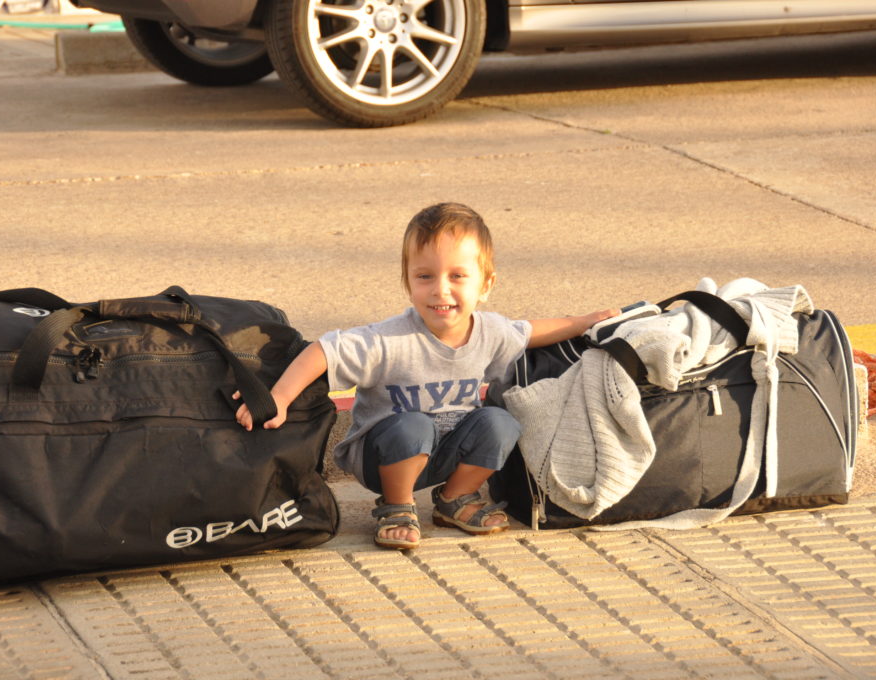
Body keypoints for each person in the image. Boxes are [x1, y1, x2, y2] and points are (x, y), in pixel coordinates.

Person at [235, 203, 618, 550]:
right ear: (407, 281)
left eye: (458, 276)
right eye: (424, 276)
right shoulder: (391, 339)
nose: (441, 290)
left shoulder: (491, 331)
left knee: (501, 422)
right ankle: (397, 506)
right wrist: (279, 397)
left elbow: (530, 331)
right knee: (413, 426)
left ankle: (455, 498)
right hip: (384, 456)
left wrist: (585, 322)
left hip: (446, 449)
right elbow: (325, 350)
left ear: (485, 285)